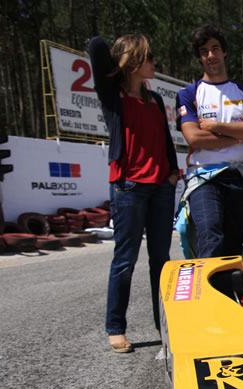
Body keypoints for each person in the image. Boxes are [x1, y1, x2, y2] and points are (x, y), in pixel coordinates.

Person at [88, 34, 179, 353]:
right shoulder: (112, 96)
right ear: (135, 61)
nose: (156, 62)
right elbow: (96, 47)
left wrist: (172, 171)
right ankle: (116, 327)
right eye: (150, 56)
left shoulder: (154, 100)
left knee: (161, 261)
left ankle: (163, 325)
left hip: (161, 189)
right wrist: (122, 52)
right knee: (125, 260)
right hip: (128, 187)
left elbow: (165, 139)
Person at [176, 25, 243, 260]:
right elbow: (194, 137)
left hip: (237, 177)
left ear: (224, 52)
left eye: (215, 49)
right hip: (204, 178)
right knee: (210, 238)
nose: (211, 56)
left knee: (237, 249)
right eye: (204, 51)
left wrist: (216, 127)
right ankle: (208, 296)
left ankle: (234, 297)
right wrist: (238, 135)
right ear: (199, 57)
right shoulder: (188, 93)